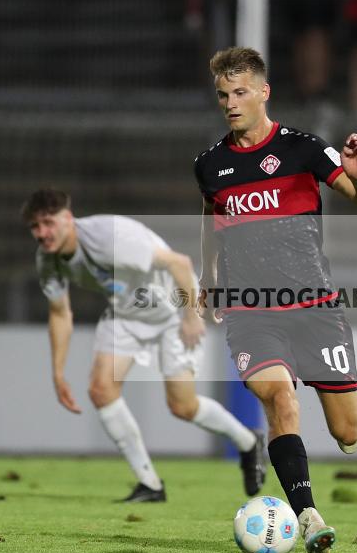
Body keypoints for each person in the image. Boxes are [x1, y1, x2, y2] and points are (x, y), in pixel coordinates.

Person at [194, 47, 357, 553]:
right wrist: (210, 277)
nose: (231, 104)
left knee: (346, 432)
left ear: (263, 92)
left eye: (240, 93)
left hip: (316, 309)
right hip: (250, 312)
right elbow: (213, 224)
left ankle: (351, 410)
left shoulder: (303, 149)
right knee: (281, 400)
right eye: (223, 95)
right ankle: (308, 515)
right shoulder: (211, 165)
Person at [21, 188, 265, 502]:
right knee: (100, 390)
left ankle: (248, 442)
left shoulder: (108, 238)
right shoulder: (47, 259)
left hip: (172, 310)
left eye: (48, 223)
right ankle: (150, 484)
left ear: (67, 218)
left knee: (183, 406)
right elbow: (59, 313)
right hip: (126, 312)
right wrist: (57, 373)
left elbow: (178, 263)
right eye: (35, 227)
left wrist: (192, 318)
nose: (42, 233)